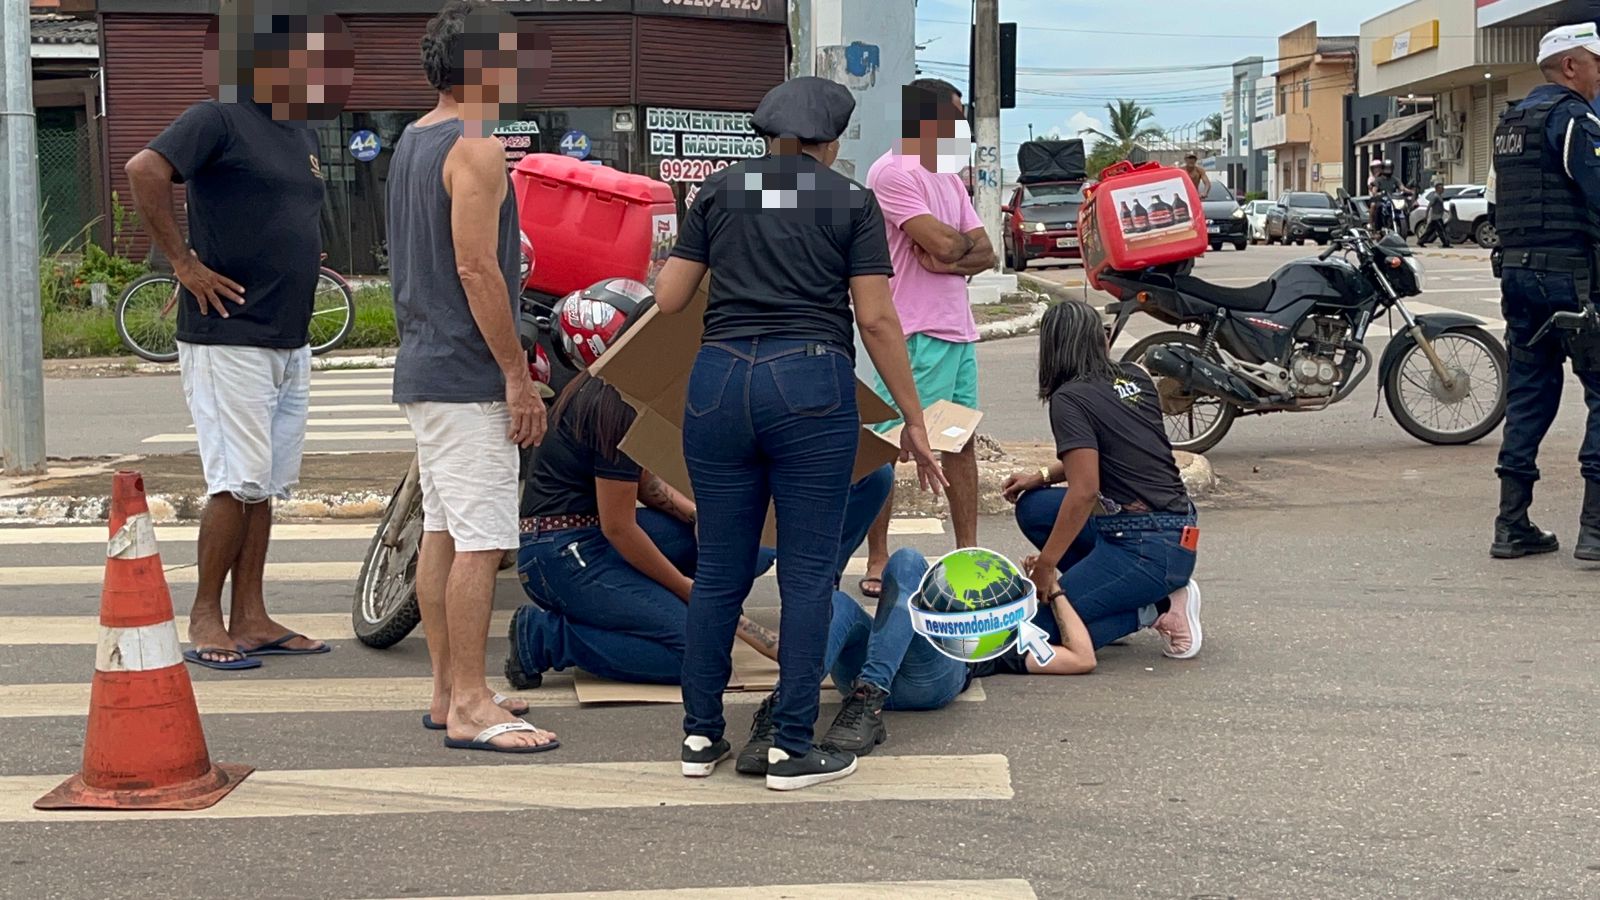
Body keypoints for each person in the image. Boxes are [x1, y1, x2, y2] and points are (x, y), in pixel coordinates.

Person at [652, 76, 946, 792]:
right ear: (833, 139)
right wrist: (911, 416)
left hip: (718, 382)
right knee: (808, 573)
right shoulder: (850, 200)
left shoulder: (717, 193)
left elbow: (668, 299)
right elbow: (876, 319)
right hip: (808, 386)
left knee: (720, 567)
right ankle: (790, 746)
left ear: (767, 134)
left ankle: (698, 737)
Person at [507, 283, 898, 688]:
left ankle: (633, 611)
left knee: (743, 544)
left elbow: (639, 482)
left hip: (588, 536)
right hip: (559, 553)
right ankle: (547, 637)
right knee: (697, 655)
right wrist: (687, 590)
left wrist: (696, 515)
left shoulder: (623, 384)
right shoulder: (612, 402)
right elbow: (619, 527)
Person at [123, 10, 354, 670]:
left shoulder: (298, 130)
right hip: (229, 335)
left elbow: (281, 210)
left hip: (287, 335)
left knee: (265, 484)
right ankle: (205, 616)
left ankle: (251, 615)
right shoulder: (218, 116)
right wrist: (184, 263)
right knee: (234, 481)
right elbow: (145, 170)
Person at [386, 1, 556, 753]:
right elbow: (475, 266)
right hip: (464, 371)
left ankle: (447, 692)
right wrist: (516, 376)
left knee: (444, 532)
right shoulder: (477, 149)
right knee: (481, 538)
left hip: (426, 362)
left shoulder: (414, 140)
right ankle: (469, 704)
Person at [739, 546, 1103, 768]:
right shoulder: (898, 615)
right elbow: (787, 647)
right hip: (862, 677)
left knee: (909, 560)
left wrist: (1052, 588)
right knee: (836, 604)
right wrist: (729, 618)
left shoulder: (1005, 636)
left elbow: (1081, 657)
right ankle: (785, 709)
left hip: (929, 681)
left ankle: (869, 697)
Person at [1000, 301, 1204, 662]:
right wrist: (1040, 477)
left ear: (1053, 348)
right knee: (1034, 507)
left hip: (1147, 546)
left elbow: (1085, 491)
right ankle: (1105, 596)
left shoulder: (1069, 399)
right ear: (1099, 340)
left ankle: (1157, 607)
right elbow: (1109, 453)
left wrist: (1046, 568)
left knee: (1037, 632)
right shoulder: (1135, 377)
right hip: (1170, 529)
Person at [860, 78, 996, 599]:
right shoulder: (892, 171)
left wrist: (946, 256)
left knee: (959, 447)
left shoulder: (947, 174)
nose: (961, 127)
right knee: (889, 446)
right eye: (955, 117)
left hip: (957, 331)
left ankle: (967, 554)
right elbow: (944, 240)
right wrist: (950, 251)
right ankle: (877, 556)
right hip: (912, 330)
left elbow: (986, 253)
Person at [1489, 23, 1600, 562]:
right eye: (1597, 64)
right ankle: (1596, 529)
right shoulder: (1573, 118)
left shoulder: (1511, 123)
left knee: (1530, 393)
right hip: (1571, 278)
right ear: (1574, 66)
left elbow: (1500, 206)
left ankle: (1511, 525)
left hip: (1519, 277)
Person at [1416, 181, 1454, 248]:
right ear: (1437, 189)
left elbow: (1440, 207)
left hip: (1437, 217)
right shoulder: (1435, 197)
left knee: (1429, 231)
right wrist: (1426, 216)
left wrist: (1446, 211)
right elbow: (1429, 206)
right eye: (1441, 188)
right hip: (1436, 217)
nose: (1443, 189)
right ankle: (1446, 244)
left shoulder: (1439, 196)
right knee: (1442, 231)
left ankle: (1420, 241)